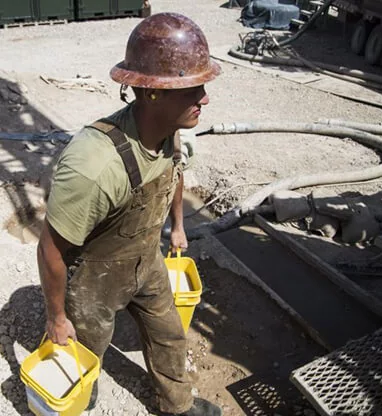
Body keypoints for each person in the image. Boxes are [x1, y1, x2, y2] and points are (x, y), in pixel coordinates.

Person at [37, 12, 222, 416]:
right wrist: (55, 317)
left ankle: (178, 407)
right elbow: (50, 248)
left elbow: (174, 174)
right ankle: (82, 402)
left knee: (170, 334)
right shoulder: (95, 164)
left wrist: (177, 225)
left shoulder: (170, 130)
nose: (204, 98)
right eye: (191, 89)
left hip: (146, 260)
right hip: (95, 280)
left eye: (202, 86)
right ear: (152, 93)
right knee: (83, 354)